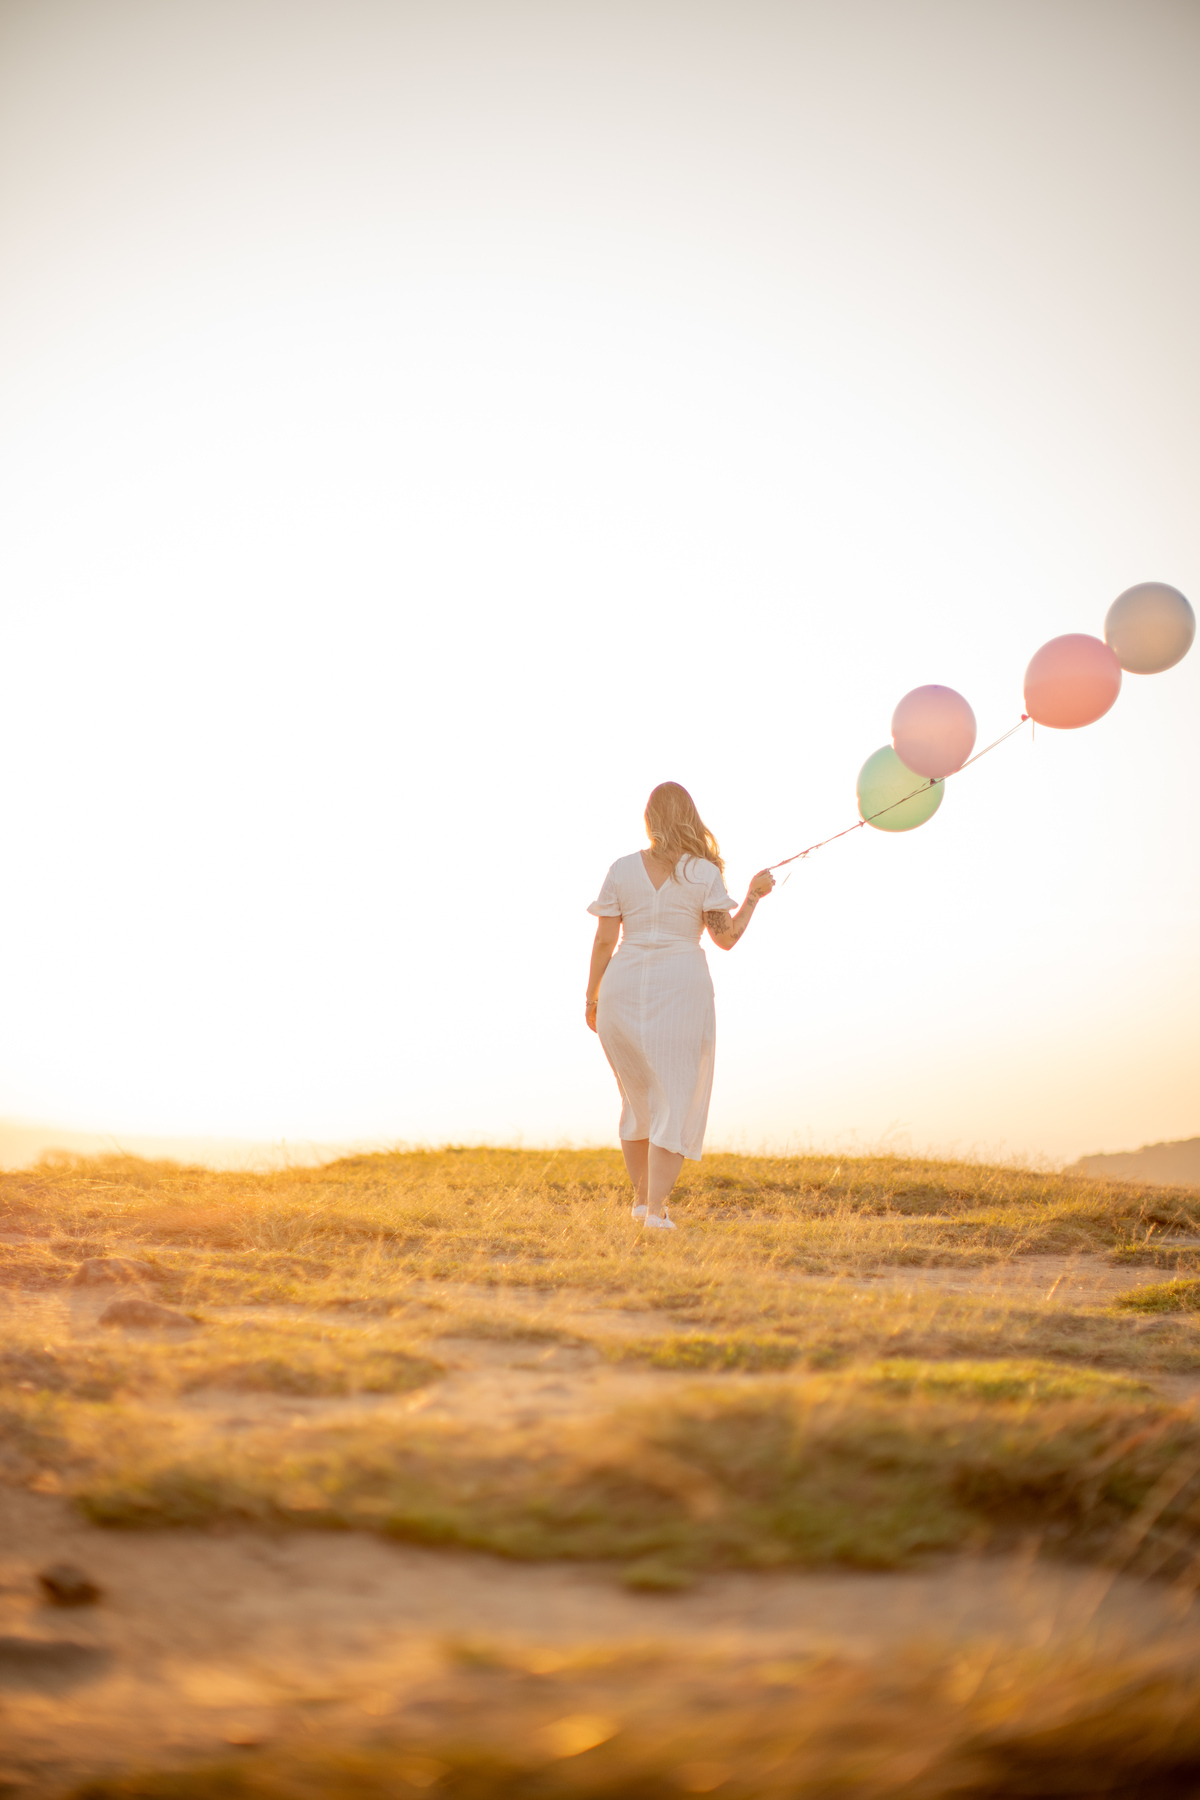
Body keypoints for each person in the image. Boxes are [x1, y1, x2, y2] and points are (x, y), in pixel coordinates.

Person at [585, 782, 775, 1229]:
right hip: (680, 987)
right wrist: (753, 896)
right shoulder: (703, 872)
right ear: (690, 816)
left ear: (649, 818)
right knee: (674, 1097)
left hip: (622, 987)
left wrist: (592, 996)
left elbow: (604, 941)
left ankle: (641, 1205)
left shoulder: (622, 868)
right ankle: (654, 1212)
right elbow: (725, 938)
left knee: (638, 1100)